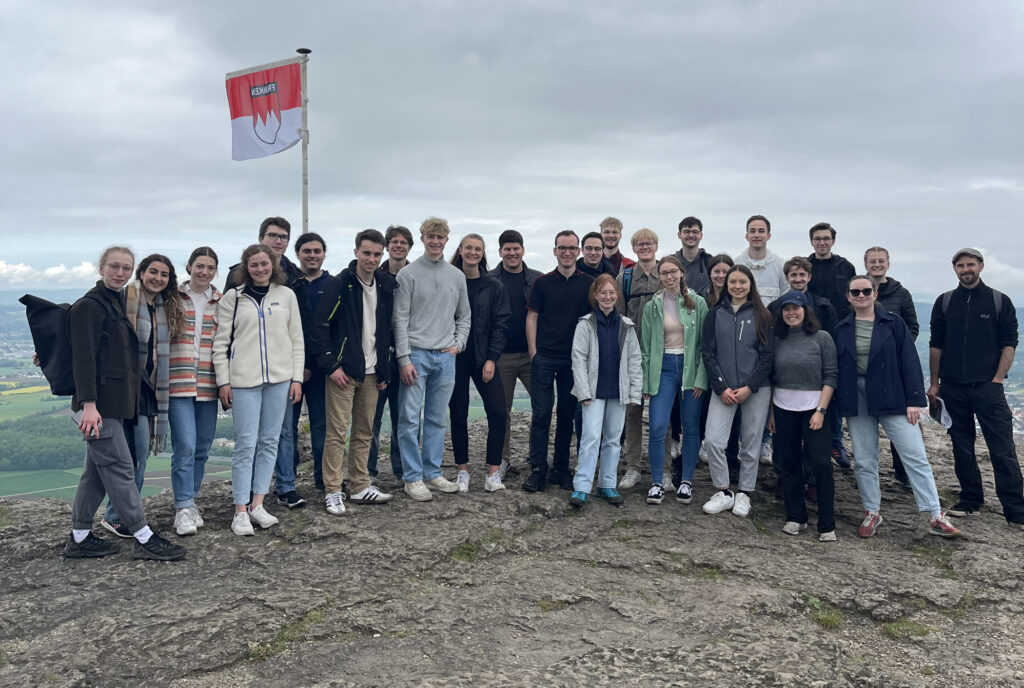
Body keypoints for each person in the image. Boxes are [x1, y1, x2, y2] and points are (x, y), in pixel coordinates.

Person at [64, 246, 185, 561]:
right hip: (99, 407)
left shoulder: (114, 303)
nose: (120, 273)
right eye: (114, 266)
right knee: (119, 467)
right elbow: (83, 360)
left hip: (117, 404)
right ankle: (144, 537)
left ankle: (79, 538)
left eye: (125, 268)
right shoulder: (90, 306)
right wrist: (89, 405)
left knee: (94, 474)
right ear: (101, 267)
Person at [835, 276, 961, 538]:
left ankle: (935, 514)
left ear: (875, 293)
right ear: (848, 296)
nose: (861, 295)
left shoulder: (894, 324)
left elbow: (909, 361)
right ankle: (872, 511)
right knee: (865, 459)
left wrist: (915, 400)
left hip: (891, 392)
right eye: (855, 292)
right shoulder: (841, 328)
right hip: (856, 397)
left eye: (866, 291)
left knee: (914, 454)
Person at [927, 249, 1024, 529]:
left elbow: (1009, 342)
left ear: (981, 266)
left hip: (987, 386)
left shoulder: (998, 301)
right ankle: (970, 500)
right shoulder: (945, 302)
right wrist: (935, 383)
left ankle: (1015, 509)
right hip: (953, 386)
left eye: (970, 264)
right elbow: (937, 343)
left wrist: (997, 379)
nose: (966, 269)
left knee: (1002, 448)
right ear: (954, 269)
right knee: (961, 445)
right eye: (960, 265)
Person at [213, 245, 305, 536]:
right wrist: (223, 381)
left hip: (280, 379)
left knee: (270, 441)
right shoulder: (233, 298)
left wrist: (296, 378)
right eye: (254, 265)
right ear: (246, 267)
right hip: (243, 382)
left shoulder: (286, 295)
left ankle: (258, 504)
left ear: (272, 264)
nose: (260, 269)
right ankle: (240, 510)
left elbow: (296, 340)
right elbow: (220, 344)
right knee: (246, 443)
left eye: (264, 264)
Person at [310, 230, 397, 515]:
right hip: (344, 372)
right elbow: (320, 327)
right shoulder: (341, 284)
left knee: (365, 432)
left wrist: (385, 370)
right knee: (336, 434)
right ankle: (333, 490)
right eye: (367, 253)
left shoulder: (385, 284)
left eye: (376, 254)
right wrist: (331, 366)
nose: (371, 259)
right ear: (356, 252)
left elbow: (387, 331)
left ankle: (360, 486)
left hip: (373, 372)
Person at [101, 254, 184, 538]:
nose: (158, 278)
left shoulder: (162, 307)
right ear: (142, 272)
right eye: (153, 272)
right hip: (123, 390)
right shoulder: (124, 298)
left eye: (164, 274)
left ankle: (122, 513)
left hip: (147, 390)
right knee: (129, 457)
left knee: (138, 456)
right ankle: (117, 516)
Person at [392, 217, 471, 501]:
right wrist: (403, 358)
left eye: (440, 237)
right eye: (430, 236)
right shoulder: (409, 275)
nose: (436, 241)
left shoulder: (456, 276)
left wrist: (458, 345)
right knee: (410, 418)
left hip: (445, 356)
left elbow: (464, 315)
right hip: (415, 354)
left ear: (447, 240)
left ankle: (433, 472)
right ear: (422, 238)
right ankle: (412, 478)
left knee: (437, 418)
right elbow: (399, 318)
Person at [522, 230, 595, 492]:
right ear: (555, 251)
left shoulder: (589, 283)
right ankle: (538, 469)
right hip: (544, 357)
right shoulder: (542, 283)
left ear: (578, 252)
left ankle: (561, 469)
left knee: (566, 415)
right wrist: (533, 352)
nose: (567, 252)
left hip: (574, 361)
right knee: (541, 414)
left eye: (572, 248)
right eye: (562, 248)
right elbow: (532, 317)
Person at [701, 265, 774, 518]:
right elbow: (708, 353)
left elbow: (767, 357)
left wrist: (749, 387)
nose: (737, 286)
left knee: (751, 443)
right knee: (713, 440)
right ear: (726, 284)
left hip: (756, 389)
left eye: (743, 282)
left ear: (750, 284)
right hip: (723, 389)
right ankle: (723, 490)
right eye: (733, 282)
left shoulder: (762, 315)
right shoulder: (714, 314)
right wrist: (721, 387)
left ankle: (744, 493)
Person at [768, 291, 837, 541]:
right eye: (786, 309)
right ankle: (795, 516)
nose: (791, 313)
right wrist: (771, 414)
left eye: (796, 308)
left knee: (820, 463)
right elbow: (771, 378)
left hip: (814, 408)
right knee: (788, 463)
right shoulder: (776, 339)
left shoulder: (822, 338)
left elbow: (830, 376)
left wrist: (821, 410)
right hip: (783, 407)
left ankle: (827, 524)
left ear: (806, 311)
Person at [568, 275, 642, 506]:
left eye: (612, 293)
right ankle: (582, 487)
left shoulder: (626, 326)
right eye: (603, 293)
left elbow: (634, 360)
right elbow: (578, 359)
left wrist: (634, 392)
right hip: (593, 391)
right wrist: (583, 392)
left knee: (612, 440)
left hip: (618, 391)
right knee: (590, 438)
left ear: (617, 296)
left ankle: (607, 485)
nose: (608, 297)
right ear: (595, 296)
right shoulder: (586, 324)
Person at [768, 256, 846, 476]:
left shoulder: (823, 306)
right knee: (785, 442)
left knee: (815, 443)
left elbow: (831, 342)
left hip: (816, 383)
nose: (798, 278)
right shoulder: (775, 307)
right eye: (794, 274)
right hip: (784, 383)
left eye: (802, 274)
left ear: (809, 277)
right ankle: (784, 478)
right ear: (787, 278)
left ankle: (812, 480)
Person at [639, 256, 708, 505]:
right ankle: (657, 483)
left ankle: (686, 482)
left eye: (673, 272)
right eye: (664, 273)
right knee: (657, 427)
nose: (669, 277)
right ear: (659, 276)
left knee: (691, 428)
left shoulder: (697, 302)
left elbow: (704, 345)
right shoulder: (652, 306)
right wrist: (647, 382)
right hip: (663, 369)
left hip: (691, 370)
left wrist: (701, 378)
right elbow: (646, 348)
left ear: (681, 273)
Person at [449, 234, 511, 492]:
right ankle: (462, 470)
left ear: (483, 253)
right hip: (454, 357)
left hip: (484, 357)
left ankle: (493, 473)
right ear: (461, 250)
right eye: (469, 248)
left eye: (478, 249)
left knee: (498, 411)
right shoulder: (450, 281)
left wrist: (491, 359)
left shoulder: (493, 286)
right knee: (458, 412)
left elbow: (501, 324)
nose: (473, 253)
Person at [168, 247, 222, 536]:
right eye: (199, 266)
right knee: (185, 446)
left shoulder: (221, 302)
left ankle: (191, 502)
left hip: (209, 384)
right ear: (189, 267)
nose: (204, 271)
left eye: (210, 267)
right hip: (178, 382)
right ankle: (182, 507)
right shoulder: (172, 298)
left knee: (202, 448)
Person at [734, 215, 787, 467]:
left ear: (768, 235)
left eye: (761, 231)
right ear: (746, 235)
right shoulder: (738, 263)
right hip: (741, 336)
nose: (756, 235)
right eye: (752, 231)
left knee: (765, 390)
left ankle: (764, 441)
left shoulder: (779, 265)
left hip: (769, 337)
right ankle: (739, 442)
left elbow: (787, 301)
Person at [865, 245, 920, 487]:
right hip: (864, 367)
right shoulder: (859, 290)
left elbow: (912, 327)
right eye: (872, 261)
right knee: (866, 423)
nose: (877, 265)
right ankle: (868, 473)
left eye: (881, 261)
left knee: (900, 420)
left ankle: (904, 472)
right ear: (865, 264)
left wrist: (895, 352)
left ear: (888, 263)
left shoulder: (901, 293)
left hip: (894, 368)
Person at [489, 229, 542, 478]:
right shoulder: (489, 279)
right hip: (502, 357)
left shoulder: (537, 279)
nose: (512, 253)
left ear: (523, 250)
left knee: (542, 407)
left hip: (533, 355)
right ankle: (501, 461)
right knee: (502, 411)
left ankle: (538, 457)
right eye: (507, 249)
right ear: (500, 252)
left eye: (516, 248)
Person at [616, 228, 664, 489]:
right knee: (632, 413)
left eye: (649, 243)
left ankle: (664, 470)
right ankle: (633, 467)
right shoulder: (624, 277)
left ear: (656, 246)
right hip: (633, 353)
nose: (645, 247)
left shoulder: (667, 272)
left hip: (662, 352)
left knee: (662, 414)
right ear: (633, 248)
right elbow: (618, 314)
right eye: (640, 244)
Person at [369, 225, 414, 481]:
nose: (398, 246)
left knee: (404, 418)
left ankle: (403, 470)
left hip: (407, 355)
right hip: (378, 356)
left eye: (403, 242)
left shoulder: (416, 274)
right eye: (394, 242)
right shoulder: (374, 275)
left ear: (410, 246)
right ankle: (369, 472)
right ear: (387, 246)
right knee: (372, 418)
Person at [292, 232, 332, 490]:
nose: (312, 255)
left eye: (317, 251)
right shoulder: (289, 287)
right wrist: (301, 364)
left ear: (324, 254)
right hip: (292, 367)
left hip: (323, 368)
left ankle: (322, 478)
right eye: (307, 251)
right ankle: (287, 480)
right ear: (298, 254)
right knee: (287, 427)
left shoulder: (334, 284)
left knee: (322, 426)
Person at [806, 222, 856, 322]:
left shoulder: (846, 267)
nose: (822, 242)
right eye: (817, 239)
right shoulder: (804, 267)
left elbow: (854, 295)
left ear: (833, 241)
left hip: (840, 322)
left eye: (826, 238)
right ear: (812, 242)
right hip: (810, 322)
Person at [672, 216, 712, 295]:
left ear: (701, 235)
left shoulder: (710, 262)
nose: (691, 235)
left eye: (695, 232)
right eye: (686, 231)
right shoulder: (671, 263)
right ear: (679, 235)